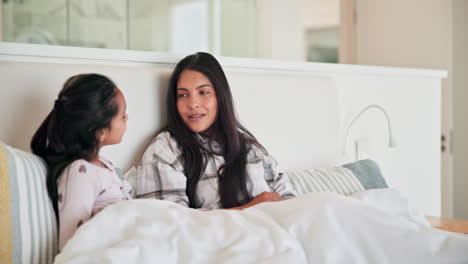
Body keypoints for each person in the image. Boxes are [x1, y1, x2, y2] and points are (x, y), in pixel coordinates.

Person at [136, 52, 295, 210]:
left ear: (220, 96)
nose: (193, 104)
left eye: (203, 92)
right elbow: (168, 224)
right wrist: (251, 208)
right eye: (183, 95)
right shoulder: (165, 149)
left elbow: (292, 204)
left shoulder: (248, 147)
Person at [30, 73, 131, 250]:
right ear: (100, 132)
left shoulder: (105, 165)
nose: (127, 118)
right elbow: (71, 243)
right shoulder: (80, 173)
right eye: (122, 116)